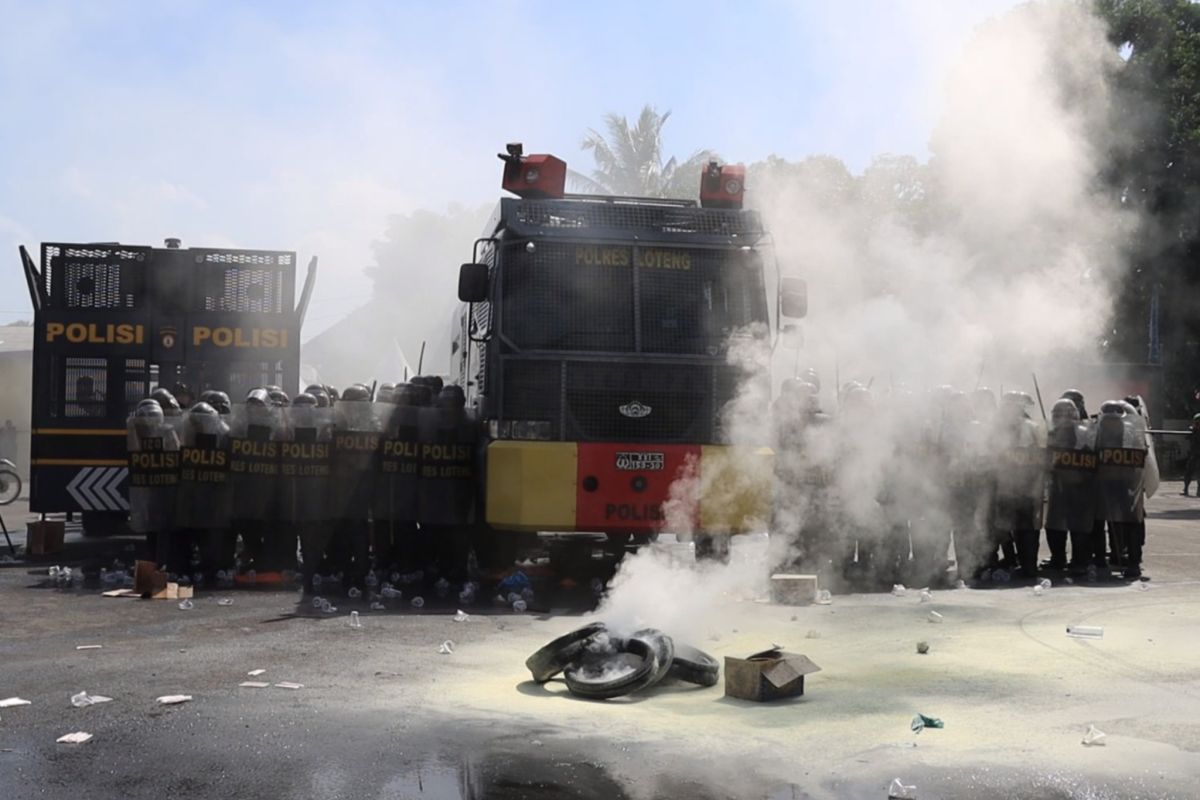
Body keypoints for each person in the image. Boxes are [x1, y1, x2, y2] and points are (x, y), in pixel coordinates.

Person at [1183, 413, 1200, 496]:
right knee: (1188, 472)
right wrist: (1193, 430)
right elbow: (1187, 436)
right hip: (1194, 454)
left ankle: (1199, 491)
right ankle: (1185, 489)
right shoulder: (1193, 430)